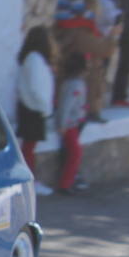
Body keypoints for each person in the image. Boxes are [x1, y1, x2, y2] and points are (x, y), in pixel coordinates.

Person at [15, 26, 56, 196]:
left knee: (29, 147)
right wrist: (45, 107)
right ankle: (30, 181)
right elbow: (36, 87)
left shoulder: (33, 59)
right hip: (34, 108)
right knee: (29, 148)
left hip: (33, 107)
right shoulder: (35, 60)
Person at [87, 0, 123, 122]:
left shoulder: (92, 1)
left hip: (93, 43)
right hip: (102, 43)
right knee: (97, 78)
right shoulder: (106, 4)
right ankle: (93, 111)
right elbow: (112, 25)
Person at [55, 49, 89, 196]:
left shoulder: (72, 82)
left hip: (73, 123)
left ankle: (68, 181)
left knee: (73, 153)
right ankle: (66, 184)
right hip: (70, 125)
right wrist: (62, 124)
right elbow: (66, 106)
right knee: (75, 153)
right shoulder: (74, 84)